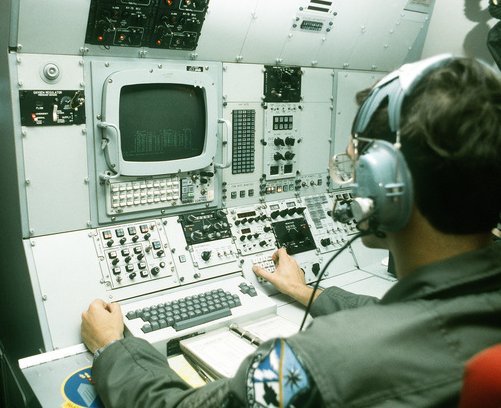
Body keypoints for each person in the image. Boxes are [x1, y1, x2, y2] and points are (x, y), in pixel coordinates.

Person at [81, 55, 501, 407]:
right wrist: (306, 293)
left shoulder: (316, 358)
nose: (349, 182)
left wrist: (112, 349)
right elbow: (413, 321)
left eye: (355, 166)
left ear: (388, 185)